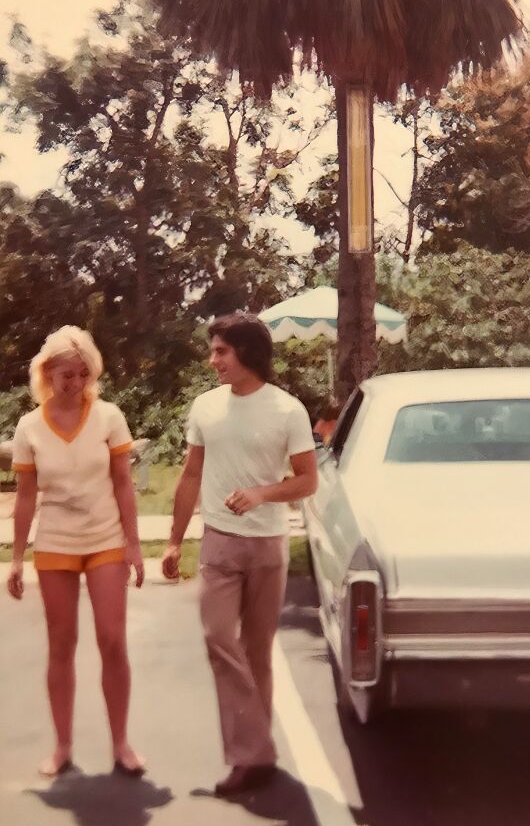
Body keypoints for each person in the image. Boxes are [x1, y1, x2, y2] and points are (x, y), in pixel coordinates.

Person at [162, 312, 317, 797]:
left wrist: (261, 493)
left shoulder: (288, 410)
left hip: (268, 544)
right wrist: (172, 539)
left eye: (220, 352)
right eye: (213, 352)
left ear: (247, 353)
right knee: (217, 638)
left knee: (257, 653)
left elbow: (307, 480)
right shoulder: (206, 408)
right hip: (220, 542)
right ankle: (255, 751)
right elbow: (190, 476)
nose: (213, 362)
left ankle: (253, 760)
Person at [6, 326, 145, 777]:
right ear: (47, 373)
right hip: (56, 543)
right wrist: (16, 558)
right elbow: (26, 497)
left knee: (111, 638)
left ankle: (121, 743)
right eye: (66, 375)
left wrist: (133, 545)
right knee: (61, 643)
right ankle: (63, 746)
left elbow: (124, 484)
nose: (74, 383)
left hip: (104, 538)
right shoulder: (29, 426)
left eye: (83, 374)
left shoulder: (108, 416)